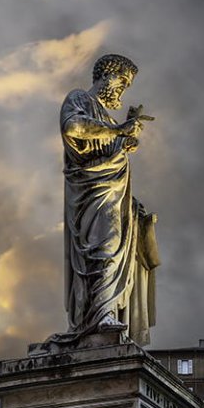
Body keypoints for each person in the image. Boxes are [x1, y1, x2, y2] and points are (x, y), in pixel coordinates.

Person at [61, 52, 156, 343]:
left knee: (113, 251)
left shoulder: (107, 117)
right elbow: (72, 128)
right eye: (121, 80)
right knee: (103, 249)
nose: (122, 88)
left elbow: (110, 148)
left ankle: (106, 313)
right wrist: (117, 130)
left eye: (127, 84)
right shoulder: (79, 99)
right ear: (105, 74)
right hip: (90, 193)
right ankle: (99, 318)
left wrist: (124, 140)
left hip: (115, 196)